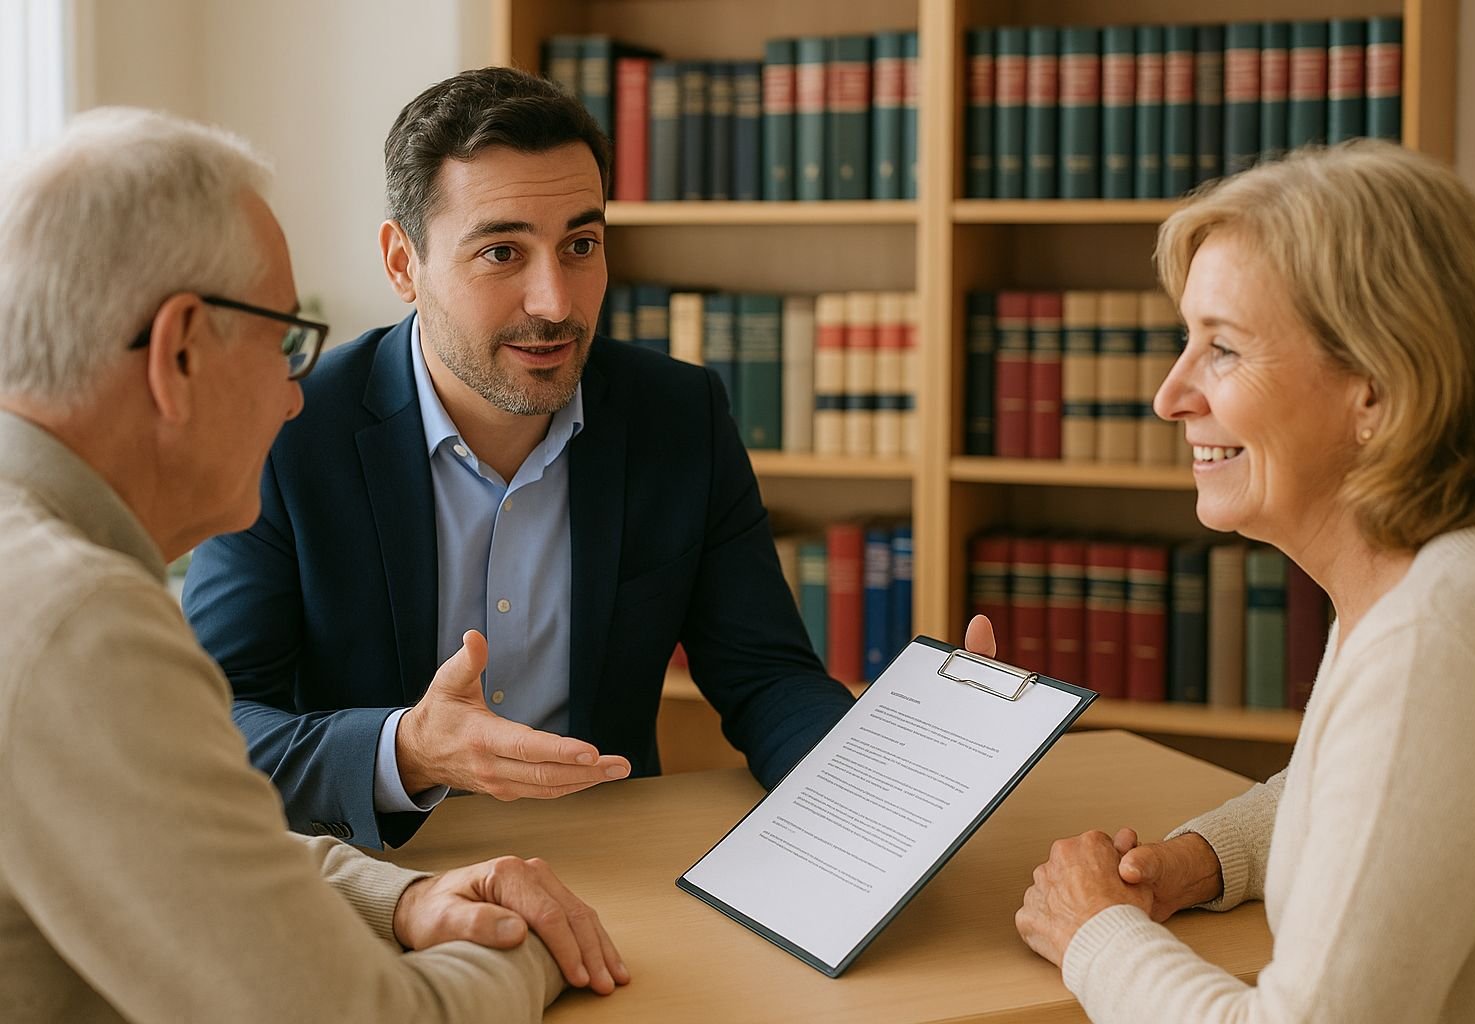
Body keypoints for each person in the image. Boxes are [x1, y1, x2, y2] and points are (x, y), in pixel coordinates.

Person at [0, 108, 629, 1022]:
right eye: (284, 342)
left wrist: (404, 899)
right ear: (179, 350)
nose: (297, 397)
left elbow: (183, 844)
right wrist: (526, 945)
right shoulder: (80, 622)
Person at [181, 65, 857, 851]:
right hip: (378, 878)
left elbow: (768, 679)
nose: (556, 303)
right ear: (404, 264)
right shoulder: (289, 429)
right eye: (502, 252)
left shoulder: (680, 417)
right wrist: (408, 749)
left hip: (616, 869)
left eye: (581, 244)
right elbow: (212, 724)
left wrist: (886, 779)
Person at [1000, 141, 1475, 1021]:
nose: (1170, 396)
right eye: (1186, 341)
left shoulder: (1434, 638)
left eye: (1222, 350)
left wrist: (1094, 930)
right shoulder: (1453, 580)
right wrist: (1203, 858)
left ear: (1377, 389)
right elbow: (1374, 789)